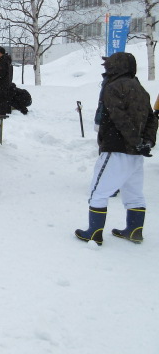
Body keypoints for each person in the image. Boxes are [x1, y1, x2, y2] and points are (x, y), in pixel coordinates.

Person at [75, 52, 157, 246]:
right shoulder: (140, 88)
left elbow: (119, 118)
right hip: (136, 153)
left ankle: (94, 233)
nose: (106, 69)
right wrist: (147, 142)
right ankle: (134, 230)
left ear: (116, 67)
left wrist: (135, 140)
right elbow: (152, 119)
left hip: (117, 148)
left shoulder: (113, 87)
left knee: (98, 191)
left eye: (109, 65)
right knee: (134, 193)